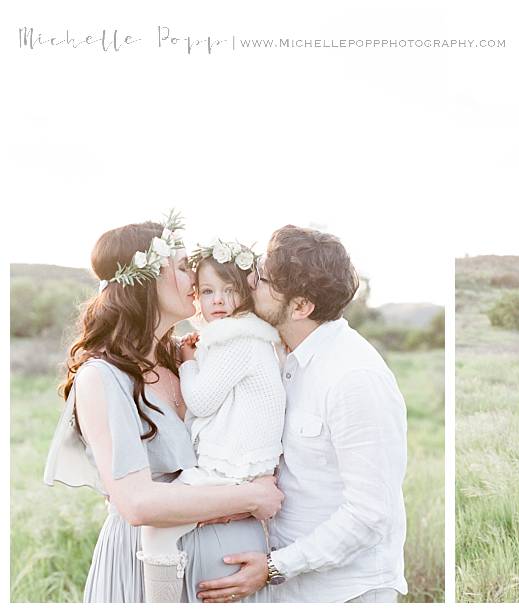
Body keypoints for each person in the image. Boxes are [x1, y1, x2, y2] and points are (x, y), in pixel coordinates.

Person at [43, 214, 284, 603]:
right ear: (147, 279)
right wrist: (252, 497)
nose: (195, 283)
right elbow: (137, 502)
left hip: (226, 575)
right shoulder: (103, 378)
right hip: (144, 571)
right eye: (186, 269)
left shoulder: (184, 358)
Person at [195, 226, 408, 603]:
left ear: (300, 306)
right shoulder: (280, 355)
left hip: (347, 593)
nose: (249, 282)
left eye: (262, 279)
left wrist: (276, 566)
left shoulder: (354, 377)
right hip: (292, 588)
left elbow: (370, 514)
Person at [135, 241, 286, 602]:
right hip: (242, 460)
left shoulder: (236, 340)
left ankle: (162, 603)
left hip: (233, 466)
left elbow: (201, 401)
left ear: (246, 293)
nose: (217, 300)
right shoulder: (246, 337)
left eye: (229, 290)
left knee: (157, 529)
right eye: (207, 291)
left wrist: (187, 360)